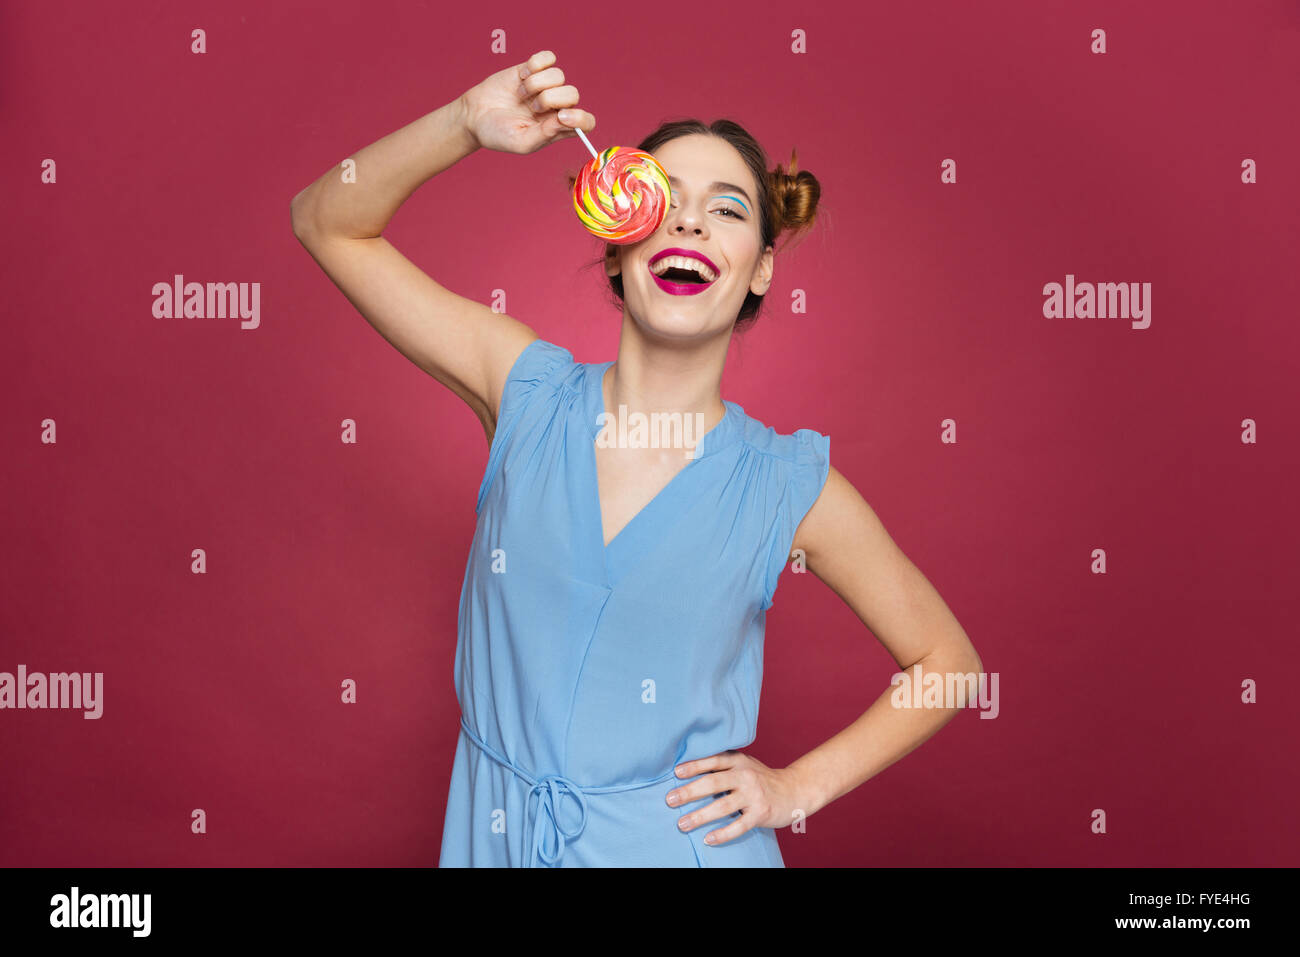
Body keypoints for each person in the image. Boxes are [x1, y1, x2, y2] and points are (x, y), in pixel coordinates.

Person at [291, 50, 982, 867]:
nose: (690, 223)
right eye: (665, 199)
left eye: (727, 209)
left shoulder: (785, 485)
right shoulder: (524, 392)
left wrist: (798, 787)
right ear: (617, 244)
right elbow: (324, 221)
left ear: (761, 268)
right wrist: (464, 123)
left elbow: (949, 665)